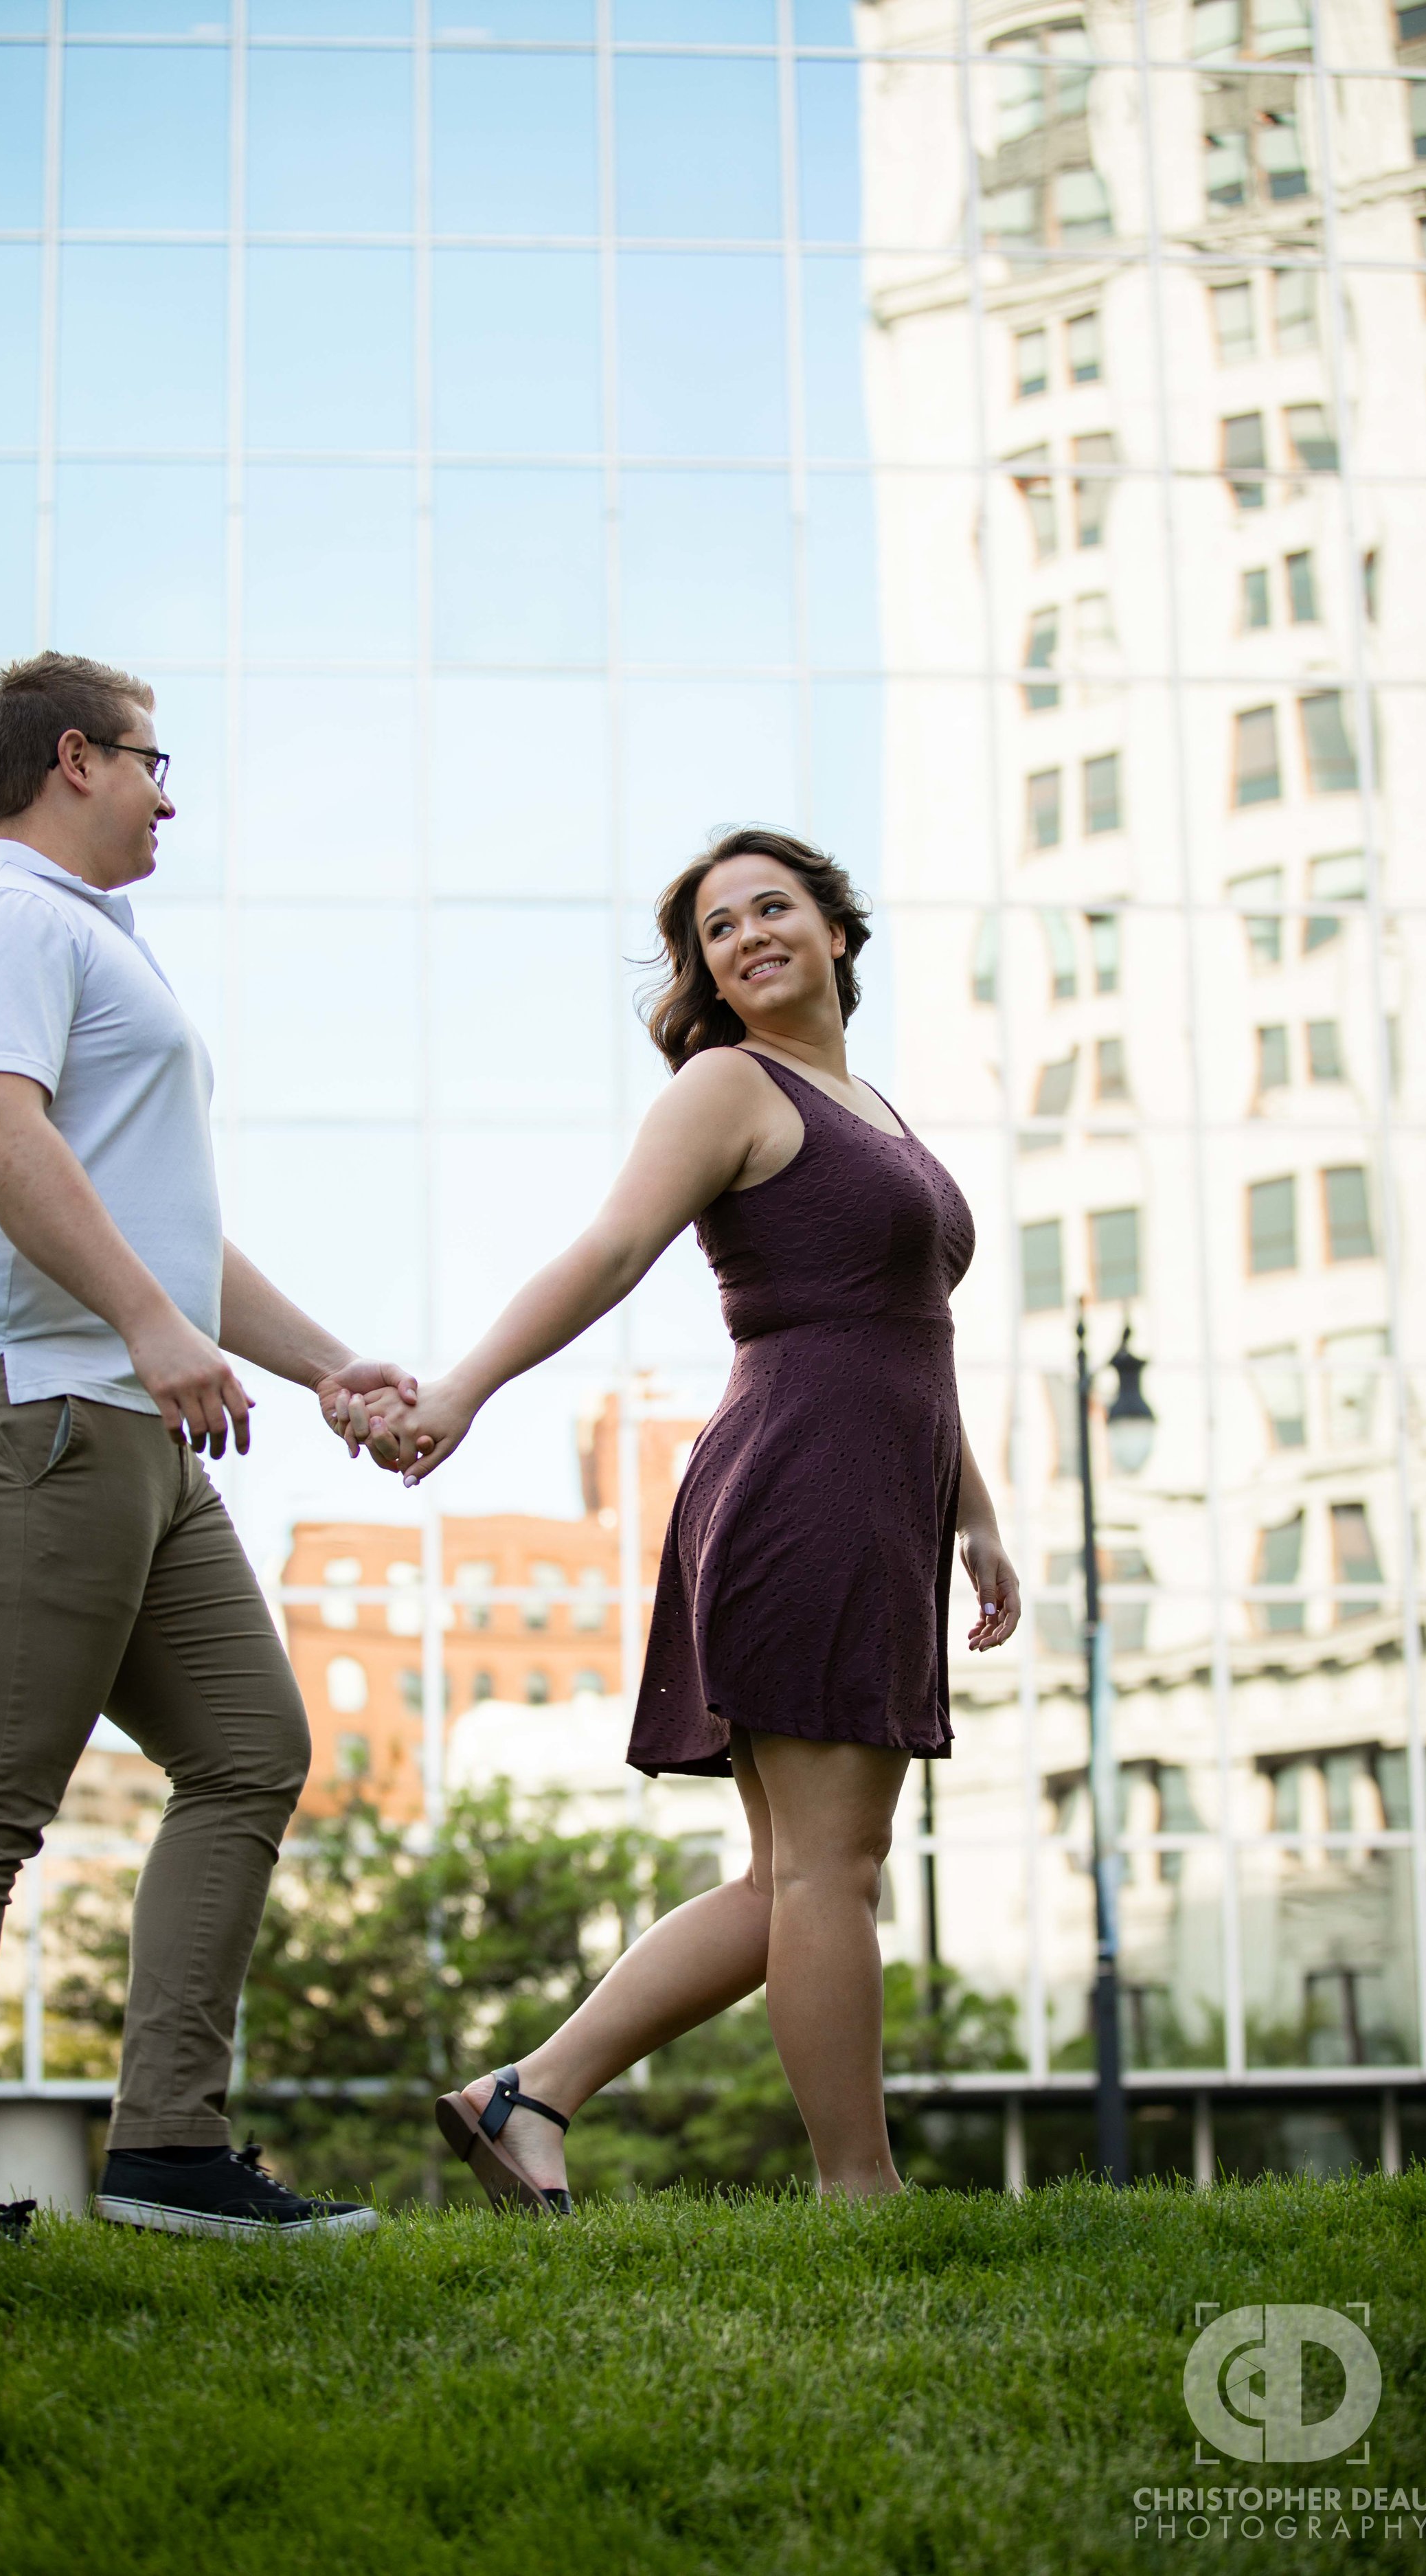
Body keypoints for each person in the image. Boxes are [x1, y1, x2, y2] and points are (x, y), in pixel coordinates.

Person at [335, 828, 1021, 2209]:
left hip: (874, 1491)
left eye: (774, 908)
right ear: (705, 970)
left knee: (792, 1879)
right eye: (717, 928)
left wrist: (975, 1517)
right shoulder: (729, 1085)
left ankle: (527, 2095)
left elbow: (908, 1335)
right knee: (833, 1870)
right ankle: (858, 2193)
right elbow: (604, 1250)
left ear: (838, 931)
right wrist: (462, 1387)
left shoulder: (870, 1106)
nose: (747, 936)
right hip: (803, 1485)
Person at [0, 651, 411, 2241]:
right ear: (76, 758)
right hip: (23, 1400)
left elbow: (160, 1226)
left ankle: (168, 2149)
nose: (172, 798)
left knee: (248, 1749)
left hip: (124, 1413)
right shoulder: (1, 918)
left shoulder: (100, 945)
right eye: (159, 764)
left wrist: (314, 1365)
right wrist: (159, 1338)